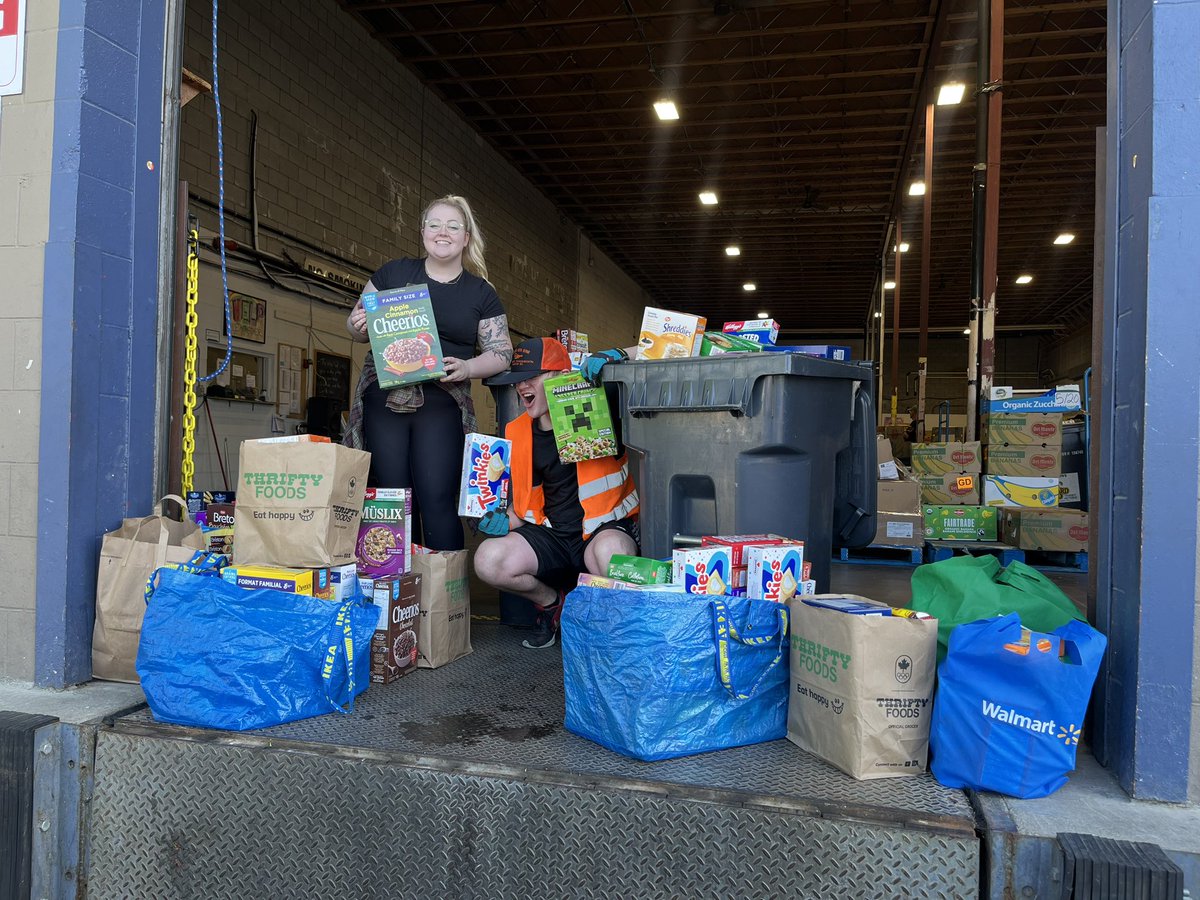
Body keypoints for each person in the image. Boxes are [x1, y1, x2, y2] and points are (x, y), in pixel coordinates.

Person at [344, 195, 513, 551]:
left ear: (466, 237)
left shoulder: (480, 292)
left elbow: (502, 353)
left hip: (442, 400)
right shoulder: (393, 273)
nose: (443, 233)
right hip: (386, 398)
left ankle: (441, 595)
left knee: (437, 496)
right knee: (392, 495)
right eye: (434, 225)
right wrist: (358, 324)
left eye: (453, 226)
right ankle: (395, 590)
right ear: (422, 233)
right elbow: (357, 326)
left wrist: (468, 367)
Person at [474, 338, 640, 649]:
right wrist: (498, 520)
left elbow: (666, 345)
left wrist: (616, 353)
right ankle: (551, 604)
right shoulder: (517, 431)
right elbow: (525, 504)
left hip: (602, 529)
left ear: (559, 375)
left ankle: (621, 637)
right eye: (518, 380)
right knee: (487, 559)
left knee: (609, 557)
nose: (522, 387)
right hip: (553, 537)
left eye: (531, 377)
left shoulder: (600, 406)